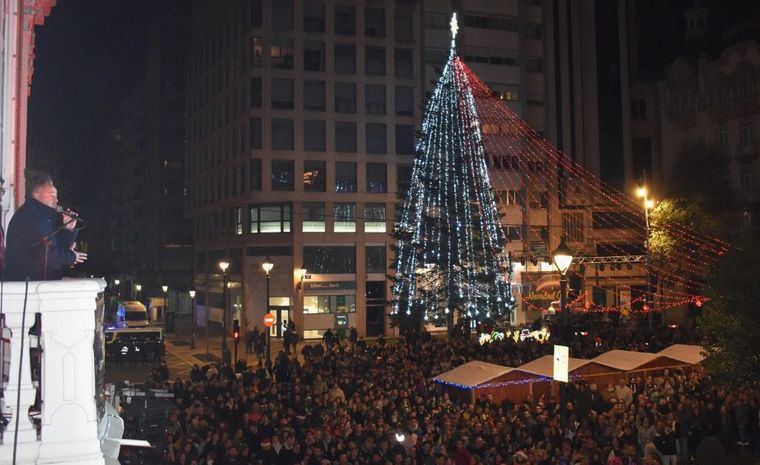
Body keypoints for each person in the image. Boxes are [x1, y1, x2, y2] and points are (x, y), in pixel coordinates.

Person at [5, 173, 86, 280]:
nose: (56, 200)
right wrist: (71, 256)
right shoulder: (29, 217)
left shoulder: (44, 218)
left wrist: (68, 229)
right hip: (28, 286)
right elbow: (45, 253)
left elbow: (56, 249)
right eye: (52, 195)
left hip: (41, 284)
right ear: (36, 193)